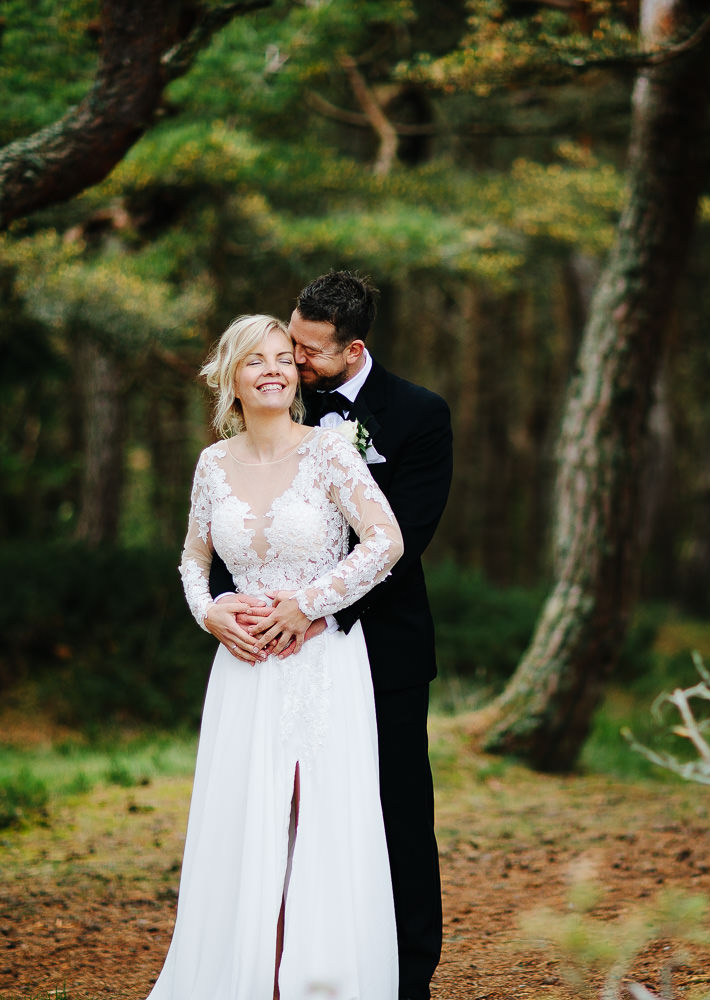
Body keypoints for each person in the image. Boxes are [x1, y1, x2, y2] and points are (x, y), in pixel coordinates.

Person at [206, 272, 452, 1000]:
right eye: (290, 341)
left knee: (395, 812)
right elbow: (235, 517)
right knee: (275, 811)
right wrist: (221, 602)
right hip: (279, 652)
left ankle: (404, 976)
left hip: (382, 646)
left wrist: (316, 609)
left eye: (310, 353)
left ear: (354, 349)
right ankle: (277, 966)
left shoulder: (417, 414)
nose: (293, 361)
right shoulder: (277, 396)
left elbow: (404, 537)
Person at [151, 314, 402, 1000]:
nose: (272, 369)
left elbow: (385, 541)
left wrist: (312, 603)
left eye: (283, 359)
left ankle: (318, 980)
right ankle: (247, 976)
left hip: (321, 661)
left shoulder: (328, 452)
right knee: (248, 815)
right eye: (255, 359)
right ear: (231, 376)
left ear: (296, 376)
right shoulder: (213, 465)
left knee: (312, 809)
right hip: (243, 668)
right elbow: (192, 561)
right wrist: (209, 613)